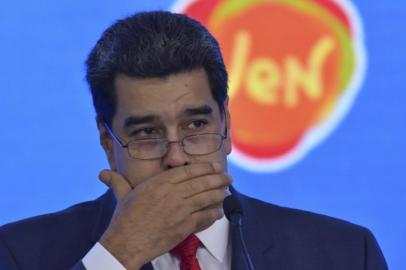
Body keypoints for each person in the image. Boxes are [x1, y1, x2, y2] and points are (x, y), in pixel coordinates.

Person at [0, 11, 387, 270]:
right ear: (107, 140)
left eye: (195, 126)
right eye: (146, 133)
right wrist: (117, 255)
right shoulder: (19, 254)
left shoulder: (344, 254)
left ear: (228, 126)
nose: (177, 158)